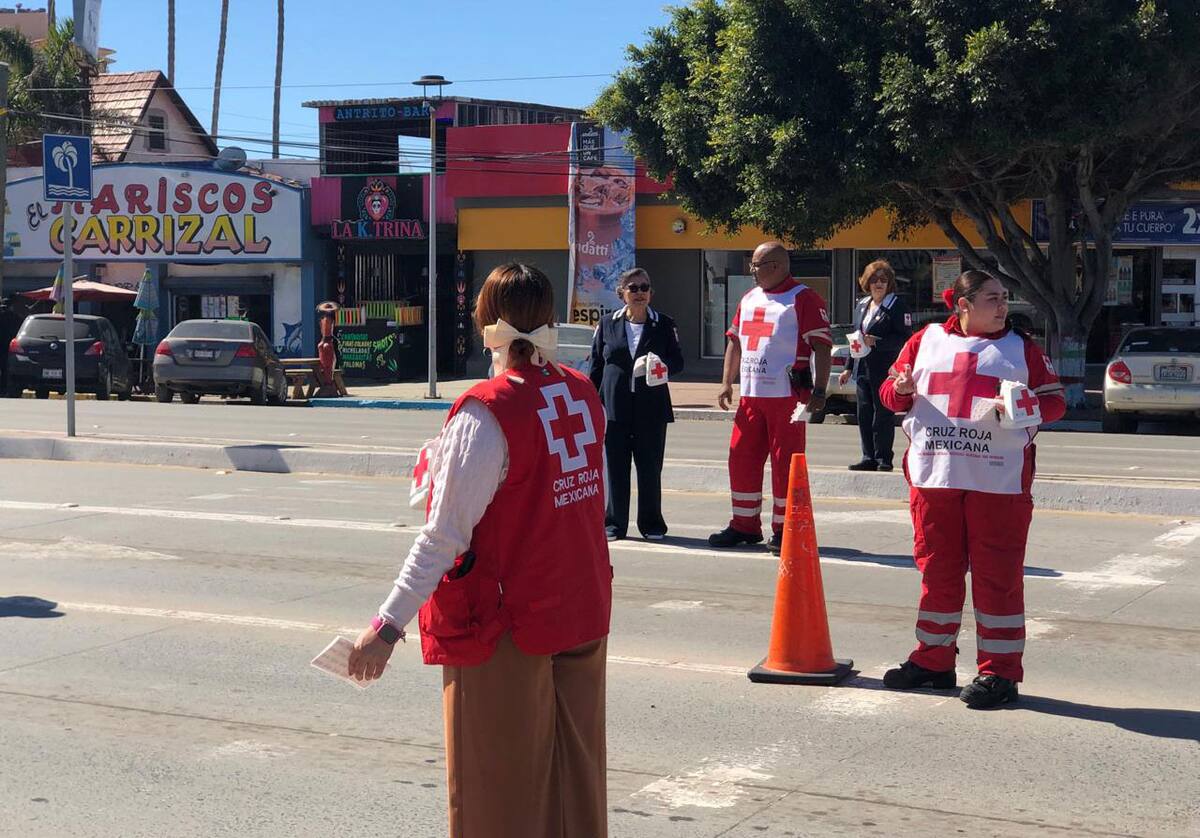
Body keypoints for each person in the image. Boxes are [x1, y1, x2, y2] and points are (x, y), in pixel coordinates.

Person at [347, 263, 612, 837]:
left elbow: (444, 536)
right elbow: (594, 500)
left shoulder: (487, 410)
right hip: (579, 609)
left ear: (485, 323)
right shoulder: (581, 392)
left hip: (504, 623)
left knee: (496, 796)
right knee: (576, 779)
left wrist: (387, 625)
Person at [879, 270, 1066, 709]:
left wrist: (1024, 406)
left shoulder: (1022, 348)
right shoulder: (924, 340)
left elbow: (1055, 402)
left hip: (997, 483)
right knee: (937, 572)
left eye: (1004, 298)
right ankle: (933, 661)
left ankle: (999, 673)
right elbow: (891, 393)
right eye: (991, 299)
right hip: (936, 478)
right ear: (962, 306)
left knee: (997, 578)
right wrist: (901, 391)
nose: (1003, 307)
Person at [709, 241, 832, 555]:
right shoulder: (749, 298)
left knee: (785, 464)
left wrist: (819, 390)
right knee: (741, 458)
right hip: (751, 396)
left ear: (776, 266)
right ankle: (744, 524)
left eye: (756, 265)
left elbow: (822, 347)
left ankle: (785, 528)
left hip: (787, 397)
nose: (751, 271)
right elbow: (735, 342)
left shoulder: (803, 298)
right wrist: (726, 383)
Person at [588, 268, 685, 541]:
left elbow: (678, 362)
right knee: (616, 468)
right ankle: (614, 524)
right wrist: (591, 401)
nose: (640, 293)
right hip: (615, 408)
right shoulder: (607, 324)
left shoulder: (664, 324)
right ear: (622, 294)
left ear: (651, 293)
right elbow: (596, 365)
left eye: (645, 287)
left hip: (651, 410)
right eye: (634, 288)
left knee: (650, 468)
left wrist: (661, 367)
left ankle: (652, 524)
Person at [840, 259, 910, 471]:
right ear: (866, 283)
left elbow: (905, 338)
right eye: (874, 280)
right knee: (864, 414)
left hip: (884, 369)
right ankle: (868, 456)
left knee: (883, 414)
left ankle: (883, 459)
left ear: (889, 283)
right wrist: (848, 367)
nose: (878, 284)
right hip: (863, 368)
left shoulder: (896, 305)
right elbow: (856, 338)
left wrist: (878, 342)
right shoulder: (862, 305)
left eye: (883, 280)